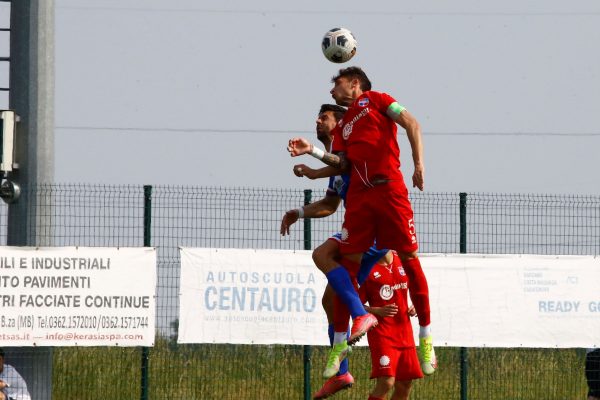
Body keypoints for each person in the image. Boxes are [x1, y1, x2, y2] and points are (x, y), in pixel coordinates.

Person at [287, 66, 436, 375]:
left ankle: (425, 335)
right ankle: (341, 344)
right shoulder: (343, 130)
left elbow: (411, 122)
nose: (332, 90)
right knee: (344, 269)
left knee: (410, 259)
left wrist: (418, 164)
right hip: (363, 201)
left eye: (337, 84)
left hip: (390, 190)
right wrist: (313, 152)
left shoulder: (378, 100)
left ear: (354, 84)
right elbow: (341, 163)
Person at [281, 104, 388, 398]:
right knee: (331, 300)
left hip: (372, 228)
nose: (317, 120)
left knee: (321, 255)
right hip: (367, 234)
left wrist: (312, 159)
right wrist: (298, 212)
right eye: (317, 116)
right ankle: (341, 374)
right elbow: (329, 205)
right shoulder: (336, 162)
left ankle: (360, 316)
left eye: (324, 117)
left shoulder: (351, 147)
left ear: (341, 123)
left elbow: (342, 164)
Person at [359, 250, 423, 400]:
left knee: (405, 384)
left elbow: (416, 286)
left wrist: (415, 305)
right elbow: (353, 303)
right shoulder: (366, 266)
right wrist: (376, 310)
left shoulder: (402, 258)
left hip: (404, 332)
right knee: (386, 381)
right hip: (382, 333)